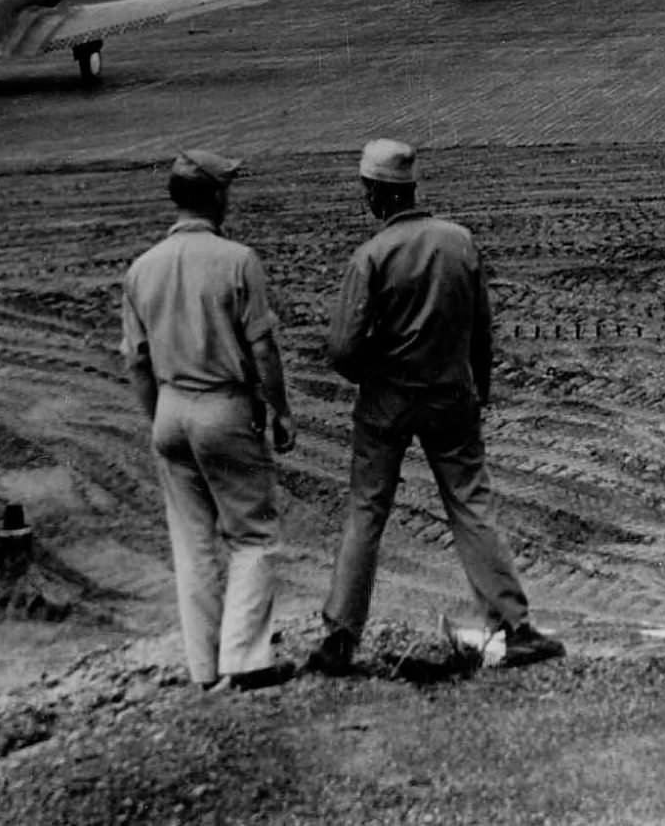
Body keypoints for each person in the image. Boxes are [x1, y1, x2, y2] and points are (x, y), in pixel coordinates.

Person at [307, 138, 564, 675]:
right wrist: (479, 389)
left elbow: (343, 349)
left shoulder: (371, 257)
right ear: (411, 186)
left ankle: (340, 636)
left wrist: (372, 377)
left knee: (366, 509)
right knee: (471, 503)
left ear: (376, 194)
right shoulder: (459, 242)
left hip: (386, 402)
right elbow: (481, 330)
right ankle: (515, 628)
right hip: (451, 394)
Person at [122, 148, 297, 691]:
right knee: (254, 537)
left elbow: (136, 360)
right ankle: (245, 660)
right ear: (217, 196)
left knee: (192, 543)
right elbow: (263, 350)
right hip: (223, 405)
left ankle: (204, 665)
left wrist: (158, 419)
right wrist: (280, 410)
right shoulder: (237, 260)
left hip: (171, 407)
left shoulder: (142, 268)